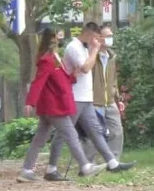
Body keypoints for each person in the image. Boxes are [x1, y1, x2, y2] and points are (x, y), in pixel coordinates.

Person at [44, 22, 135, 178]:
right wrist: (94, 51)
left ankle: (112, 163)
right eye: (95, 37)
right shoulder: (74, 47)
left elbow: (87, 68)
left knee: (96, 131)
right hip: (74, 97)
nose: (96, 41)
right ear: (88, 34)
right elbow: (86, 68)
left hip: (86, 98)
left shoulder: (85, 49)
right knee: (64, 133)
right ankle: (51, 168)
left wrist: (92, 52)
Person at [18, 27, 105, 182]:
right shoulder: (47, 59)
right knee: (71, 135)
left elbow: (60, 80)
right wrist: (30, 102)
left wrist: (73, 75)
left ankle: (27, 170)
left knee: (40, 138)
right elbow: (38, 82)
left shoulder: (55, 58)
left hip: (53, 106)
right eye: (56, 38)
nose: (58, 40)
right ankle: (85, 166)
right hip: (54, 106)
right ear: (50, 40)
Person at [81, 25, 127, 162]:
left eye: (111, 36)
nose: (110, 39)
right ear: (99, 38)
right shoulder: (91, 56)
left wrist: (118, 98)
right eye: (107, 36)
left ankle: (114, 162)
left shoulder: (112, 57)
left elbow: (113, 79)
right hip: (94, 101)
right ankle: (88, 164)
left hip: (110, 101)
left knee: (116, 132)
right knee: (92, 135)